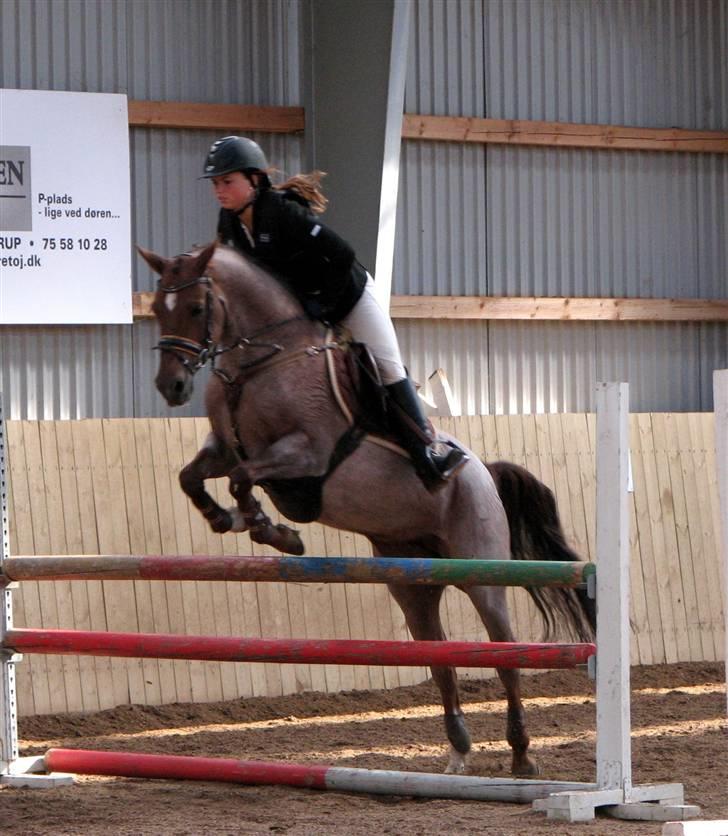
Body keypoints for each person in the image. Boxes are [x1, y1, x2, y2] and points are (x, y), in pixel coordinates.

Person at [201, 135, 468, 491]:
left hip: (348, 297)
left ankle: (428, 453)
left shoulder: (282, 212)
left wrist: (322, 305)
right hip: (303, 312)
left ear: (254, 179)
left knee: (386, 365)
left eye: (227, 181)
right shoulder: (230, 223)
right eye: (216, 183)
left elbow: (341, 255)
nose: (220, 190)